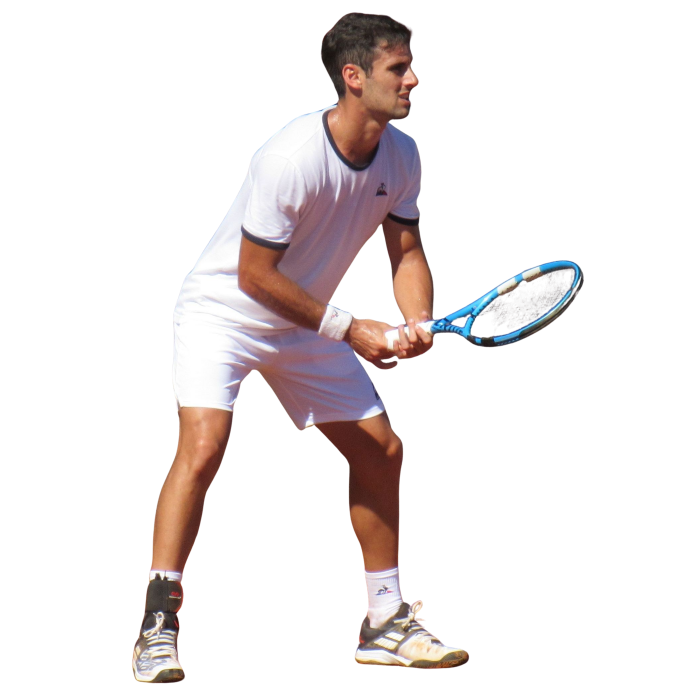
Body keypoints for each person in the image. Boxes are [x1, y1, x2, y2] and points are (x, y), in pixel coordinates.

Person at [132, 12, 469, 682]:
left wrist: (418, 320)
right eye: (398, 68)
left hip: (304, 322)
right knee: (204, 446)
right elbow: (254, 276)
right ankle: (157, 627)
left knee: (382, 451)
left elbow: (406, 252)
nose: (413, 79)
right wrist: (352, 328)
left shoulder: (403, 154)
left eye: (410, 65)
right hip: (223, 313)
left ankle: (384, 621)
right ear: (354, 76)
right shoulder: (289, 157)